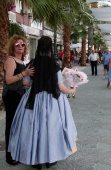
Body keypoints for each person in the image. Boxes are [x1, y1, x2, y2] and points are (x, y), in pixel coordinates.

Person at [8, 36, 77, 170]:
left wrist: (35, 79)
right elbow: (60, 87)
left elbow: (25, 82)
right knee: (51, 129)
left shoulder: (33, 63)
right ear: (51, 47)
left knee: (34, 128)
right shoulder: (54, 65)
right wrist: (72, 90)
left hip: (33, 99)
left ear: (39, 46)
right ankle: (50, 158)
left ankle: (36, 159)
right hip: (52, 102)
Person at [2, 35, 34, 165]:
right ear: (12, 47)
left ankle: (16, 152)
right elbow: (9, 80)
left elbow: (23, 83)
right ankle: (10, 156)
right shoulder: (10, 60)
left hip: (20, 94)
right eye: (17, 44)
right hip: (11, 95)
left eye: (23, 44)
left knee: (19, 124)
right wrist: (24, 74)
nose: (21, 46)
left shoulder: (22, 61)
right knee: (12, 124)